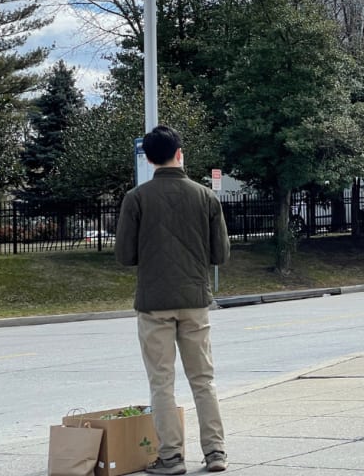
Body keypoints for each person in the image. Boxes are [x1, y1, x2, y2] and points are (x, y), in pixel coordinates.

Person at [115, 125, 230, 474]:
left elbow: (125, 255)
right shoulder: (205, 197)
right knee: (203, 380)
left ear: (149, 159)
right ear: (180, 153)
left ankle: (171, 457)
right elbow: (221, 254)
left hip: (153, 303)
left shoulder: (136, 198)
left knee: (162, 383)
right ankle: (215, 453)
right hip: (195, 299)